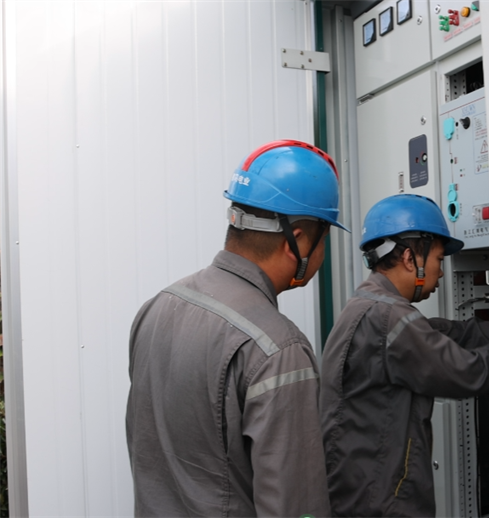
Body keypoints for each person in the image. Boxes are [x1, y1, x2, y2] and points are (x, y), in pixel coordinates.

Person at [126, 140, 348, 518]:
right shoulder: (278, 349)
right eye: (324, 237)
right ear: (298, 239)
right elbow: (294, 506)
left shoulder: (157, 307)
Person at [319, 194, 489, 517]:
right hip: (383, 503)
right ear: (409, 257)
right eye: (439, 259)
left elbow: (439, 333)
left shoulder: (366, 305)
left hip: (356, 491)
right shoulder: (390, 318)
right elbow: (467, 373)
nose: (441, 273)